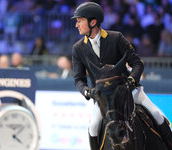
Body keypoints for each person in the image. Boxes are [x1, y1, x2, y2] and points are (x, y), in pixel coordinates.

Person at [71, 2, 172, 150]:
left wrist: (132, 80)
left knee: (156, 114)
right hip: (104, 98)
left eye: (79, 21)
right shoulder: (78, 48)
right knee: (93, 126)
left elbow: (137, 63)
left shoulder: (116, 38)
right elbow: (78, 79)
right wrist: (87, 91)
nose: (76, 25)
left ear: (93, 22)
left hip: (128, 91)